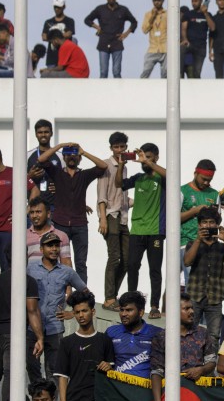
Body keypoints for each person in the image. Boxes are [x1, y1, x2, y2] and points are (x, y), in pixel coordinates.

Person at [39, 142, 108, 282]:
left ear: (79, 158)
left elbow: (103, 166)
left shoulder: (84, 175)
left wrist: (84, 152)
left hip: (79, 224)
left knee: (81, 262)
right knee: (57, 260)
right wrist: (60, 146)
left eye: (75, 155)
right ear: (63, 157)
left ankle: (82, 295)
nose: (72, 157)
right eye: (68, 155)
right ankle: (60, 290)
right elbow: (41, 159)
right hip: (60, 222)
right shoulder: (57, 172)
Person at [0, 268, 44, 401]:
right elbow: (32, 310)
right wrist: (40, 337)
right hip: (16, 335)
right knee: (10, 374)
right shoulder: (28, 281)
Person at [27, 231, 86, 380]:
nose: (54, 249)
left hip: (55, 328)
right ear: (41, 249)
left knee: (54, 370)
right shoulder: (30, 268)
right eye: (49, 246)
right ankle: (38, 399)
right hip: (31, 327)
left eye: (56, 246)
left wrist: (73, 313)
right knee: (31, 365)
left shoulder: (67, 272)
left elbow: (86, 294)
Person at [116, 145, 167, 318]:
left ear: (156, 158)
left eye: (149, 157)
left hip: (155, 231)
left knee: (155, 269)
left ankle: (154, 306)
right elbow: (119, 184)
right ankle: (131, 302)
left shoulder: (161, 177)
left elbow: (172, 176)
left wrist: (148, 162)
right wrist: (121, 164)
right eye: (143, 157)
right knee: (132, 266)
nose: (145, 160)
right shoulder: (138, 178)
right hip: (137, 230)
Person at [0, 144, 38, 269]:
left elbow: (35, 190)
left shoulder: (15, 173)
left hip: (8, 231)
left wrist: (25, 211)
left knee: (8, 268)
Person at [184, 207, 224, 344]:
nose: (208, 225)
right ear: (199, 225)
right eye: (205, 222)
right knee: (189, 331)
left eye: (211, 222)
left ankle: (210, 362)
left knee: (213, 335)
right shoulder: (192, 243)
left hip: (215, 297)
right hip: (195, 295)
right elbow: (187, 261)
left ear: (217, 225)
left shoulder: (221, 246)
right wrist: (198, 240)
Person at [98, 131, 131, 310]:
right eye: (116, 147)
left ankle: (114, 295)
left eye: (122, 146)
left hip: (123, 216)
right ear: (111, 148)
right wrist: (102, 219)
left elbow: (123, 196)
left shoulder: (124, 166)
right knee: (114, 257)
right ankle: (109, 297)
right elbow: (102, 196)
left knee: (127, 259)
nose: (119, 150)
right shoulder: (106, 166)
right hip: (110, 215)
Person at [84, 0, 138, 78]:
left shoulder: (123, 10)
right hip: (103, 42)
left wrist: (126, 34)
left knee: (116, 72)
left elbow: (134, 22)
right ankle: (102, 92)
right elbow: (87, 20)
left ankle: (118, 92)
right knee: (103, 72)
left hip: (117, 42)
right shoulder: (100, 9)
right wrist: (97, 27)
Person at [106, 291, 162, 379]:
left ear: (141, 312)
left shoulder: (157, 333)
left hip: (145, 390)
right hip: (116, 389)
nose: (123, 314)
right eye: (121, 310)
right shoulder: (111, 332)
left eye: (129, 310)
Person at [180, 160, 220, 277]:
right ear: (195, 173)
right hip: (184, 243)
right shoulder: (183, 191)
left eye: (209, 180)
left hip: (206, 245)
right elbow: (173, 219)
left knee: (196, 284)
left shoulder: (214, 194)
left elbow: (218, 220)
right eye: (203, 179)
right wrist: (195, 211)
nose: (206, 182)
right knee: (176, 284)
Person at [26, 120, 63, 210]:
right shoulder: (27, 155)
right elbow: (18, 181)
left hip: (55, 206)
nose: (43, 135)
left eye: (46, 132)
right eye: (40, 132)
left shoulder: (60, 156)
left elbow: (67, 178)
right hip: (34, 206)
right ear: (35, 134)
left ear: (51, 133)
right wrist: (29, 176)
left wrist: (59, 186)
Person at [26, 197, 72, 266]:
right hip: (30, 276)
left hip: (54, 275)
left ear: (48, 214)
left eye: (38, 212)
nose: (35, 216)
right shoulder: (24, 236)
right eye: (32, 212)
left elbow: (66, 263)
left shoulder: (61, 236)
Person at [180, 0, 215, 78]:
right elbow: (183, 28)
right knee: (181, 48)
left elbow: (213, 28)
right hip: (189, 44)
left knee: (196, 73)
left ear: (201, 1)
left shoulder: (208, 14)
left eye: (196, 1)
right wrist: (184, 39)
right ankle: (179, 74)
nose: (193, 3)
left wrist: (205, 13)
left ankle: (196, 90)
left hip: (201, 47)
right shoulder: (188, 14)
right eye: (192, 1)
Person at [41, 0, 76, 70]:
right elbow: (43, 36)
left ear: (64, 7)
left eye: (59, 7)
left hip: (66, 58)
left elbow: (69, 34)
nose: (56, 9)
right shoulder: (48, 22)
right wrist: (56, 38)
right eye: (55, 7)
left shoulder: (69, 21)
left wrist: (53, 37)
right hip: (52, 58)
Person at [141, 0, 168, 78]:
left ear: (163, 0)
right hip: (153, 48)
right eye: (154, 0)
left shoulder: (167, 14)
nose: (156, 2)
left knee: (165, 74)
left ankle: (165, 91)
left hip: (165, 49)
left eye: (158, 0)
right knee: (145, 72)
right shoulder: (148, 14)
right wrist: (152, 17)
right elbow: (144, 30)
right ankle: (139, 90)